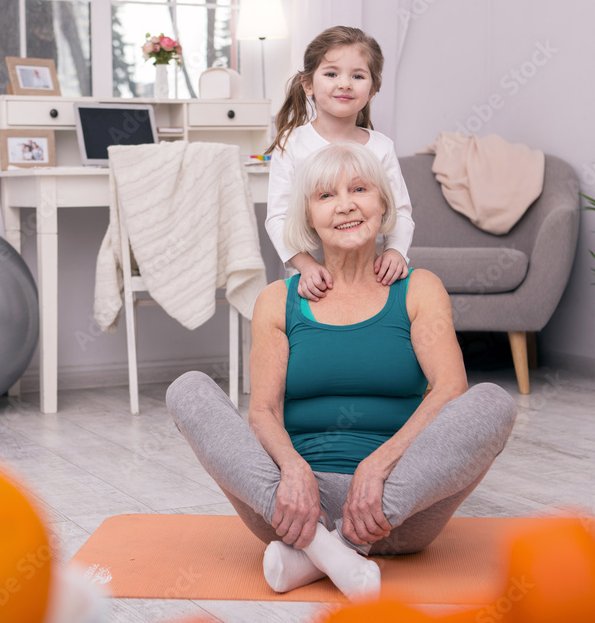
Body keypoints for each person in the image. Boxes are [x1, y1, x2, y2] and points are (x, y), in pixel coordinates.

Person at [166, 143, 516, 602]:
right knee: (188, 389)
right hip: (292, 506)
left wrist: (378, 467)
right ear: (308, 218)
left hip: (399, 505)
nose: (346, 204)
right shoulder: (277, 300)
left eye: (360, 189)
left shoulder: (418, 289)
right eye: (326, 196)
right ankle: (331, 549)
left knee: (493, 400)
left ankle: (326, 551)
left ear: (383, 204)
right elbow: (265, 410)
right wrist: (292, 472)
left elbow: (450, 390)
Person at [265, 26, 414, 303]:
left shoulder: (381, 147)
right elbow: (278, 217)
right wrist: (305, 265)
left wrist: (396, 252)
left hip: (372, 276)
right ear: (308, 84)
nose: (345, 83)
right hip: (313, 282)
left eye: (357, 76)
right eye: (332, 73)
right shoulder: (292, 144)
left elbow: (400, 211)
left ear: (372, 90)